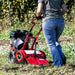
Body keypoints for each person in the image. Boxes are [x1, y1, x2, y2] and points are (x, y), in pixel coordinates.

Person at [36, 0, 67, 66]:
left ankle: (58, 63)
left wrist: (38, 16)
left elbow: (39, 11)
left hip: (49, 21)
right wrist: (58, 15)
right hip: (60, 21)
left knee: (51, 43)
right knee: (55, 40)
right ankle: (61, 56)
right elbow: (65, 9)